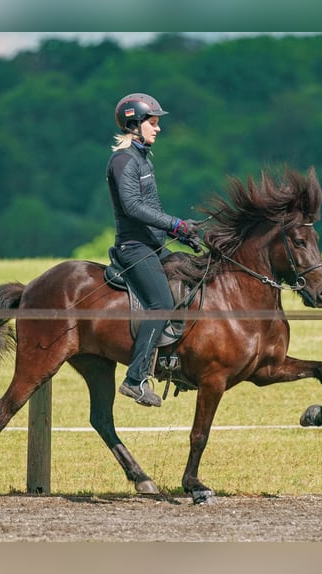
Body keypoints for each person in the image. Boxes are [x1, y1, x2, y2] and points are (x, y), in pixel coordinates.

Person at [106, 93, 200, 407]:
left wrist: (181, 232)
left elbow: (153, 208)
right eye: (153, 123)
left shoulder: (143, 157)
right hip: (134, 248)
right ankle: (135, 380)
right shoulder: (123, 160)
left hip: (153, 244)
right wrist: (174, 224)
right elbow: (133, 207)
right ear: (135, 123)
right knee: (160, 303)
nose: (157, 129)